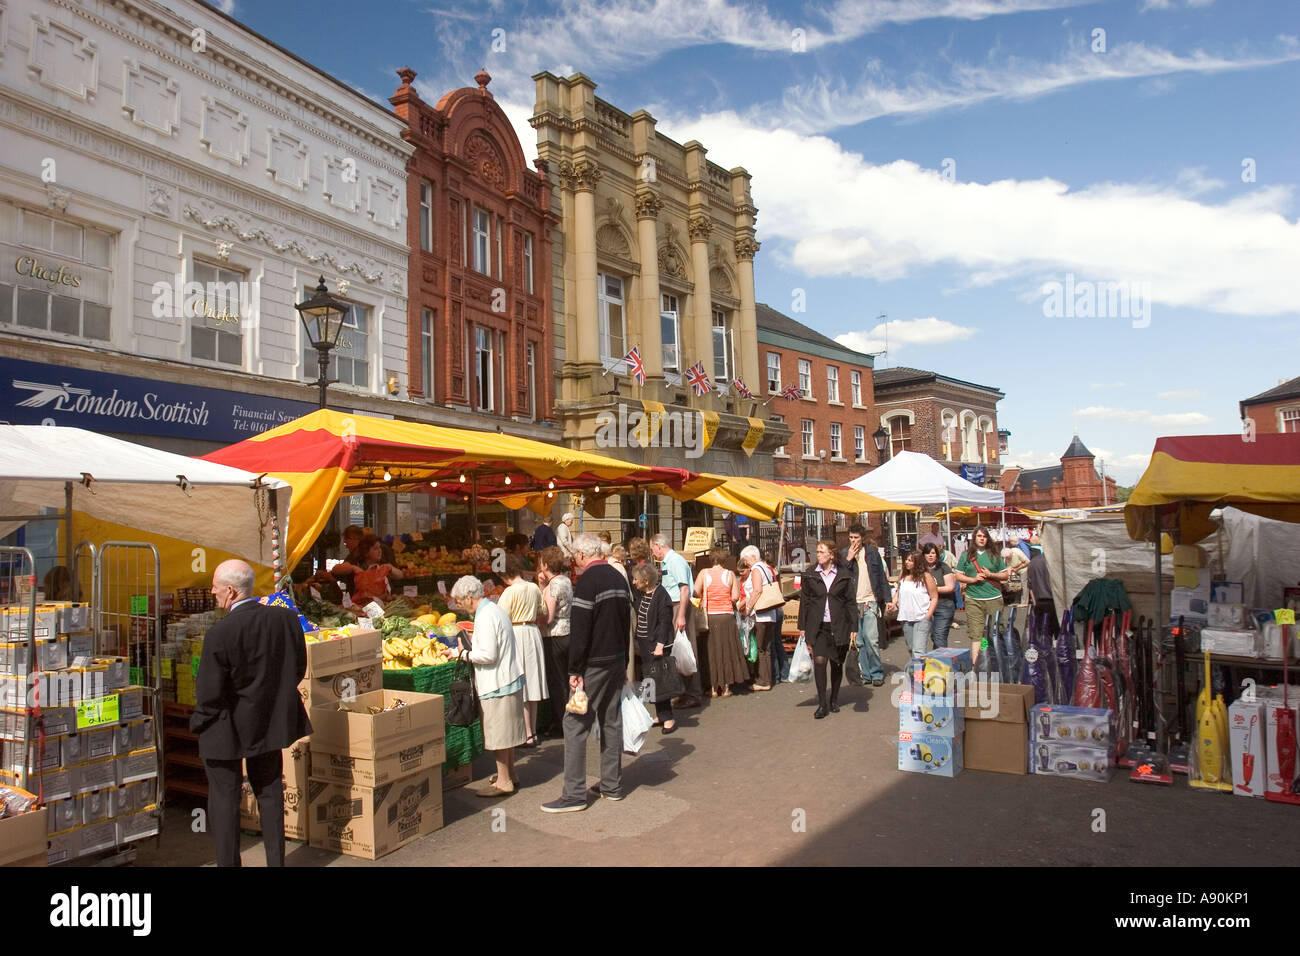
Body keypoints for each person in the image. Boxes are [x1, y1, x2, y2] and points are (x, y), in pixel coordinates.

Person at [191, 559, 309, 867]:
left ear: (230, 591)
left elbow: (209, 693)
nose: (213, 593)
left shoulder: (219, 633)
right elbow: (297, 668)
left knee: (224, 799)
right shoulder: (286, 620)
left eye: (215, 588)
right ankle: (275, 862)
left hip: (226, 726)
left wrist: (199, 722)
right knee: (269, 792)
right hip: (269, 721)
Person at [542, 532, 632, 813]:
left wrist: (574, 669)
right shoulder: (618, 576)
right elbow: (625, 621)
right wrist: (625, 661)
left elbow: (581, 631)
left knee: (574, 723)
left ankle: (574, 794)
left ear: (581, 555)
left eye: (574, 558)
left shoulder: (588, 582)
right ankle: (611, 785)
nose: (574, 563)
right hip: (616, 659)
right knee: (611, 720)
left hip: (595, 662)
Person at [451, 575, 525, 797]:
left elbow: (488, 655)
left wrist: (462, 653)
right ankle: (510, 774)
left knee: (498, 736)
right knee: (507, 733)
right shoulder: (494, 609)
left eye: (459, 600)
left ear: (467, 597)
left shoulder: (484, 616)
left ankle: (503, 782)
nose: (459, 605)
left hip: (497, 683)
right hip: (509, 679)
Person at [796, 540, 857, 719]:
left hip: (839, 626)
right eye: (817, 552)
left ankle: (834, 698)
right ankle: (823, 704)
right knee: (820, 661)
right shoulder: (810, 574)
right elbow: (804, 602)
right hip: (819, 626)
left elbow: (850, 603)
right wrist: (802, 627)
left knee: (836, 663)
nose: (818, 555)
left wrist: (854, 627)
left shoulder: (844, 574)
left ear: (831, 554)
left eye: (822, 552)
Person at [499, 555, 547, 748]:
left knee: (521, 684)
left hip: (516, 633)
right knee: (533, 682)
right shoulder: (533, 587)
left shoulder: (508, 593)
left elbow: (501, 618)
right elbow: (542, 610)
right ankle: (532, 730)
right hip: (532, 632)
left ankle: (526, 733)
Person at [651, 533, 701, 709]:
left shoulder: (675, 561)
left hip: (679, 606)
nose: (653, 554)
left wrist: (680, 614)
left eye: (653, 549)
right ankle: (683, 692)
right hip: (674, 606)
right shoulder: (668, 562)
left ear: (659, 545)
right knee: (677, 650)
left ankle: (693, 693)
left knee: (686, 649)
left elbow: (685, 589)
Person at [631, 562, 680, 733]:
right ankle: (660, 713)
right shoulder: (642, 593)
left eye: (636, 579)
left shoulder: (661, 595)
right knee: (651, 680)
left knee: (660, 681)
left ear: (645, 580)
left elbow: (665, 622)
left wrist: (660, 645)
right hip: (645, 643)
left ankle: (669, 718)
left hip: (656, 644)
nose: (634, 582)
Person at [694, 546, 748, 698]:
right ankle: (726, 688)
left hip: (710, 616)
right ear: (724, 559)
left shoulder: (704, 573)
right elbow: (735, 597)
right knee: (727, 650)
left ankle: (712, 688)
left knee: (711, 651)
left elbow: (696, 591)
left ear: (711, 559)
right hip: (726, 616)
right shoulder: (730, 574)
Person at [843, 523, 891, 688]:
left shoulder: (872, 553)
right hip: (852, 603)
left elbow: (881, 578)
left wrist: (887, 599)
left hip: (870, 601)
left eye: (856, 537)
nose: (853, 541)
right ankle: (866, 674)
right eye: (851, 537)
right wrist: (848, 559)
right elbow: (840, 576)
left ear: (862, 538)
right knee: (859, 641)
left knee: (872, 639)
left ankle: (877, 672)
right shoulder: (844, 554)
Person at [953, 527, 1009, 663]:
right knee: (976, 635)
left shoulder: (994, 555)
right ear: (974, 538)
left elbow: (1005, 575)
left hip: (994, 598)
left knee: (995, 633)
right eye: (979, 536)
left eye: (984, 536)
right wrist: (973, 579)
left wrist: (991, 575)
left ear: (987, 539)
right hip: (973, 600)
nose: (982, 538)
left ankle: (996, 664)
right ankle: (976, 667)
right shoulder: (966, 555)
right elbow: (958, 575)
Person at [537, 546, 574, 735]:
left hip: (554, 636)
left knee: (557, 681)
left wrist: (537, 622)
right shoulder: (566, 581)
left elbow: (549, 616)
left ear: (545, 565)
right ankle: (573, 716)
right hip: (569, 632)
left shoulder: (553, 585)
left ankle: (561, 723)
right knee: (568, 679)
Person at [739, 545, 779, 691]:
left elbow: (757, 591)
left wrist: (748, 607)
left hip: (760, 614)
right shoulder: (766, 568)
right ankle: (767, 679)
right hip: (770, 613)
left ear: (753, 557)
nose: (745, 563)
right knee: (766, 648)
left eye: (746, 559)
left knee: (760, 648)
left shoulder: (756, 569)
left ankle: (763, 680)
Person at [332, 533, 403, 606]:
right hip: (358, 608)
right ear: (366, 552)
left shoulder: (382, 564)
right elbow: (335, 570)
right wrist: (353, 568)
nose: (379, 551)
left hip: (382, 607)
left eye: (379, 548)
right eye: (375, 548)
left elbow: (400, 575)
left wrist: (390, 567)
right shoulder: (356, 563)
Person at [894, 550, 938, 655]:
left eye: (910, 560)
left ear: (917, 562)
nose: (906, 562)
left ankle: (918, 671)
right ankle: (917, 670)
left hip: (921, 617)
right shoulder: (903, 575)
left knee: (918, 650)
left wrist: (928, 615)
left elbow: (934, 597)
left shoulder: (926, 576)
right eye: (906, 560)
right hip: (906, 617)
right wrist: (893, 603)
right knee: (911, 648)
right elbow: (898, 593)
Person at [921, 543, 957, 649]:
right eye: (927, 553)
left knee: (939, 636)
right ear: (923, 555)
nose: (930, 555)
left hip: (944, 606)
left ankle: (942, 662)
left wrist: (932, 589)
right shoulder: (920, 569)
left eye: (933, 553)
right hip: (927, 607)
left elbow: (950, 587)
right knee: (934, 635)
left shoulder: (943, 567)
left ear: (937, 555)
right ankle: (936, 659)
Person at [1026, 531, 1059, 639]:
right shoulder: (1057, 563)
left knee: (1043, 636)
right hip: (1055, 603)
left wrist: (1035, 603)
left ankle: (1045, 654)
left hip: (1040, 602)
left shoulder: (1033, 563)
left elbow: (1030, 585)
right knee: (1059, 636)